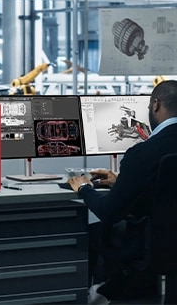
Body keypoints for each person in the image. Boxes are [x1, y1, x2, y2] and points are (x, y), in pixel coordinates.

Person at [67, 80, 177, 304]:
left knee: (100, 232)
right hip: (171, 243)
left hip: (155, 245)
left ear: (155, 105)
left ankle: (102, 294)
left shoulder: (143, 153)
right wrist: (121, 183)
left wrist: (84, 188)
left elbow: (109, 212)